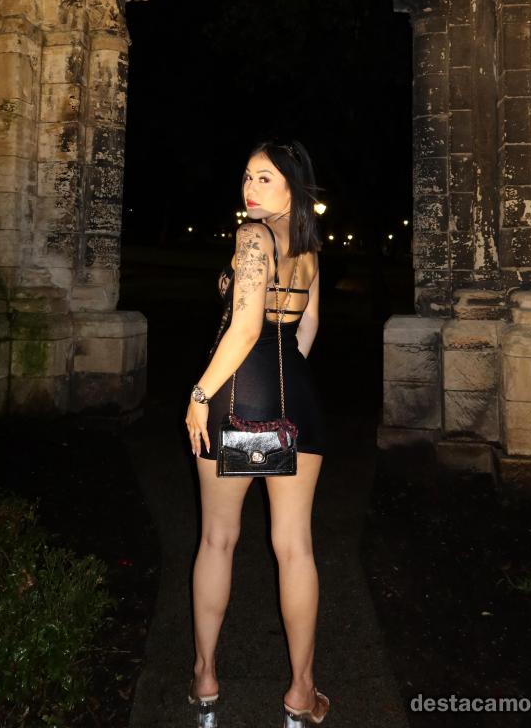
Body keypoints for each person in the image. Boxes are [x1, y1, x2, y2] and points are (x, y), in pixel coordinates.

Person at [185, 139, 329, 728]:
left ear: (292, 185)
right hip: (297, 399)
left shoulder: (252, 237)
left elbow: (244, 327)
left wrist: (200, 395)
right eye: (248, 176)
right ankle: (301, 691)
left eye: (265, 178)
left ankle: (206, 679)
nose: (250, 187)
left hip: (237, 398)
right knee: (295, 547)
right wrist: (283, 381)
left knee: (218, 540)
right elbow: (308, 325)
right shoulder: (310, 247)